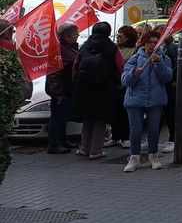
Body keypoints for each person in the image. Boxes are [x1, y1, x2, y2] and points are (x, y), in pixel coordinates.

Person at [70, 22, 125, 160]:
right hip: (105, 88)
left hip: (84, 88)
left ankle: (84, 148)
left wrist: (77, 83)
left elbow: (75, 67)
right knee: (100, 119)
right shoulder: (112, 48)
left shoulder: (85, 46)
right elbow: (120, 67)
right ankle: (96, 150)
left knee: (88, 119)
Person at [121, 30, 173, 172]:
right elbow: (125, 81)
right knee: (135, 129)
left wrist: (159, 63)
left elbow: (167, 77)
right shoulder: (135, 58)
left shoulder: (164, 58)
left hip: (155, 100)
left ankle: (153, 155)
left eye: (156, 43)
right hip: (136, 100)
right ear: (144, 43)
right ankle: (134, 157)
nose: (152, 45)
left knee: (154, 129)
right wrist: (134, 74)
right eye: (150, 42)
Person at [45, 23, 79, 154]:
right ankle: (54, 143)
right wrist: (58, 92)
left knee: (63, 116)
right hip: (61, 90)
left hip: (67, 88)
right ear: (67, 35)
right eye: (76, 33)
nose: (78, 36)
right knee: (57, 116)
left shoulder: (69, 48)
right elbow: (55, 74)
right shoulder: (60, 50)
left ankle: (62, 139)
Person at [109, 25, 138, 149]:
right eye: (117, 35)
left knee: (125, 113)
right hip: (114, 85)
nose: (118, 38)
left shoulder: (135, 51)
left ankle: (125, 137)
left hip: (126, 86)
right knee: (114, 112)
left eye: (121, 36)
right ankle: (115, 136)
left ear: (128, 38)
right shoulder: (115, 49)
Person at [153, 25, 177, 154]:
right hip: (159, 86)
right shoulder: (156, 49)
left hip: (169, 87)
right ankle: (153, 139)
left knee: (170, 114)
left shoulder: (172, 48)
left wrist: (172, 81)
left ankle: (173, 139)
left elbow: (175, 69)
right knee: (157, 114)